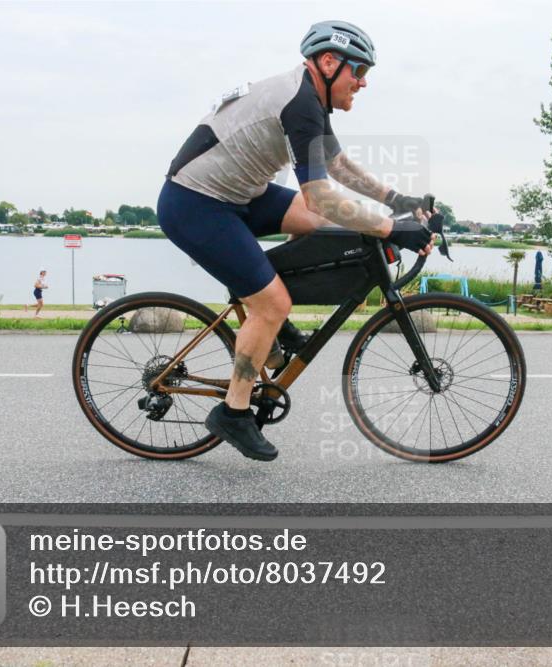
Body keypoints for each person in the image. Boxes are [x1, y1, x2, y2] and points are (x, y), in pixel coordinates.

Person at [157, 20, 435, 462]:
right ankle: (234, 411)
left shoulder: (308, 97)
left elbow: (337, 165)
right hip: (196, 203)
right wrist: (391, 228)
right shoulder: (300, 102)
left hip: (240, 195)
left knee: (330, 229)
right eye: (358, 72)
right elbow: (321, 196)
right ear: (328, 62)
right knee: (274, 301)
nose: (362, 83)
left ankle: (265, 315)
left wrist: (395, 200)